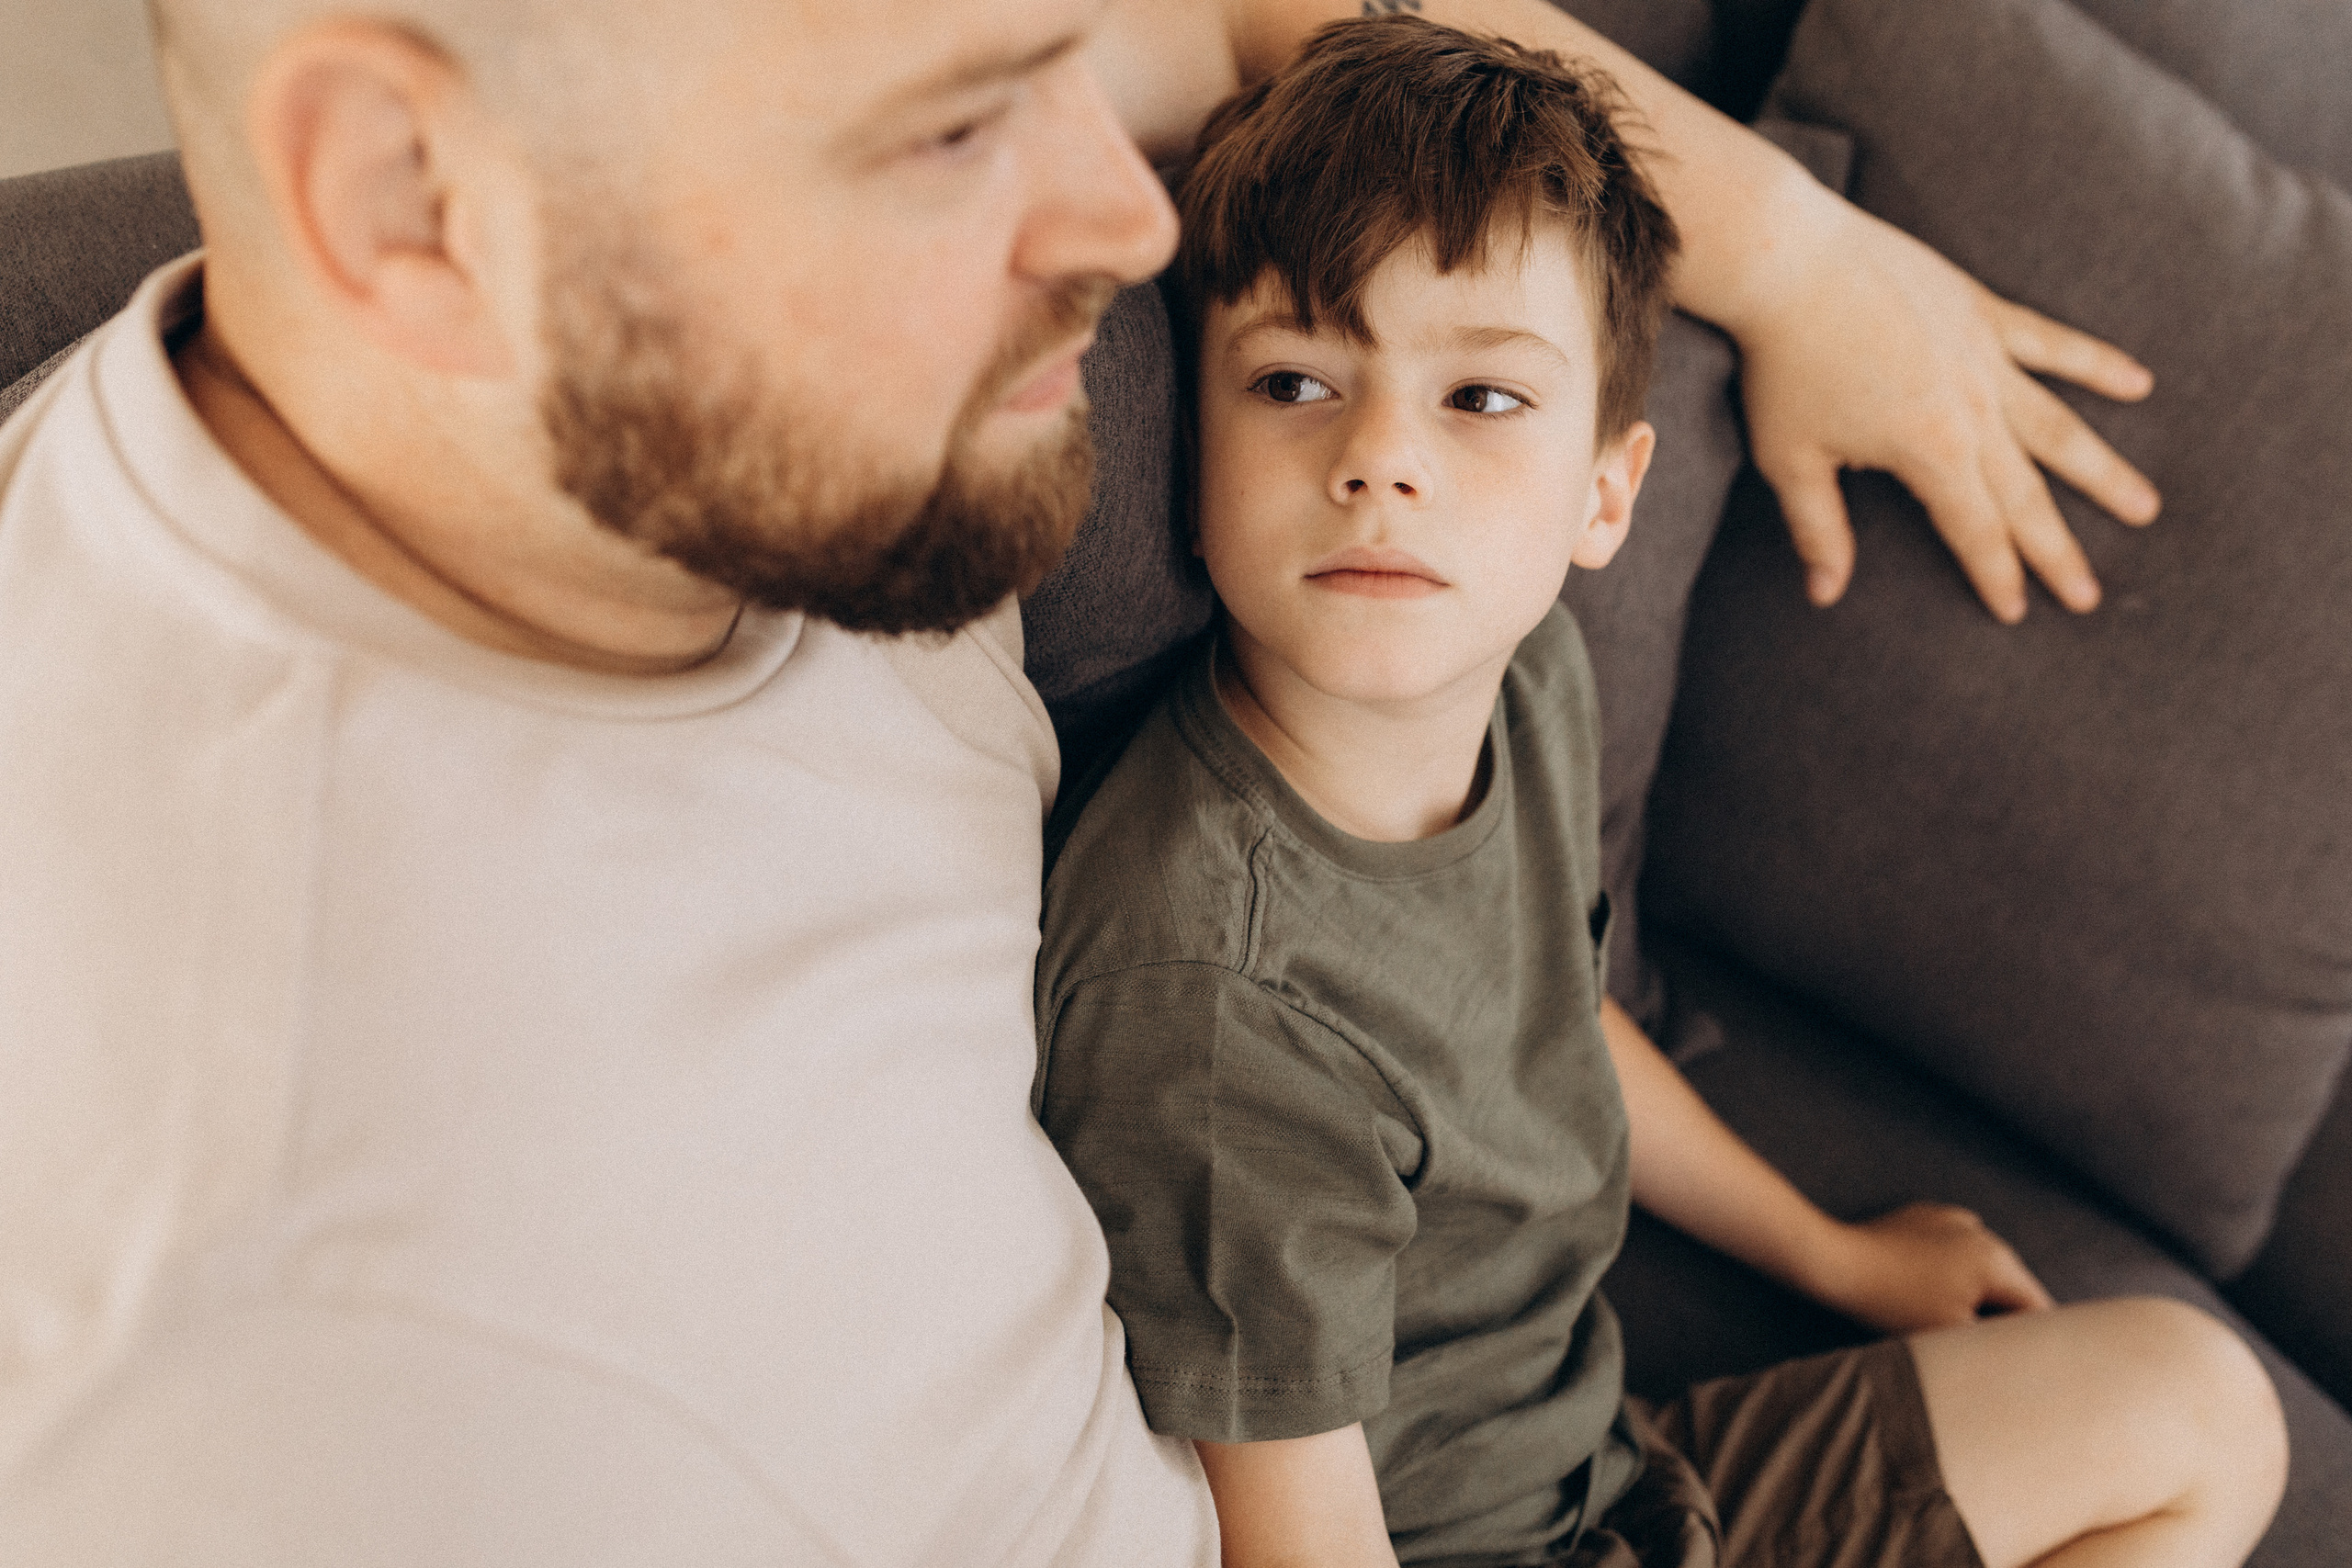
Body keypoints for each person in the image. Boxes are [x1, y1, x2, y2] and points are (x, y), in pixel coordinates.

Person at [0, 0, 2172, 1561]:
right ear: (405, 198)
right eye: (957, 130)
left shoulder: (653, 401)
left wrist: (1793, 258)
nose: (1126, 223)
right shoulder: (287, 1341)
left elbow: (1262, 21)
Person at [1034, 20, 2288, 1568]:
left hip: (1619, 1475)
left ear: (1605, 493)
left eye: (1479, 400)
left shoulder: (1531, 683)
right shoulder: (1215, 1003)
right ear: (1196, 461)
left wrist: (1842, 1261)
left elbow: (1549, 1016)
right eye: (1295, 379)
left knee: (2203, 1406)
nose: (1378, 461)